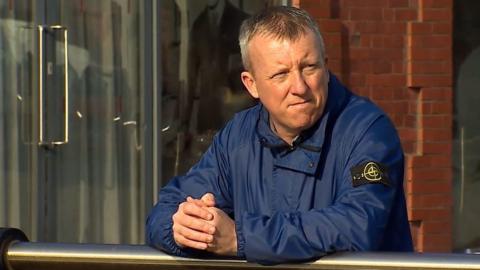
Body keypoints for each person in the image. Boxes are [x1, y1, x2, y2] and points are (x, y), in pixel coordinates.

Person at [146, 6, 413, 265]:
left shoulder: (367, 131)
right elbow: (164, 211)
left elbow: (356, 226)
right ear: (251, 85)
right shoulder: (238, 136)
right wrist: (183, 229)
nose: (299, 87)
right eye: (281, 74)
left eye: (309, 67)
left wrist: (240, 239)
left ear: (326, 66)